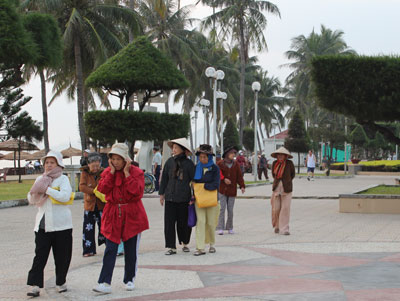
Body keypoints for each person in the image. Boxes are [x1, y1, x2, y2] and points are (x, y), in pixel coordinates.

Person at [93, 143, 149, 294]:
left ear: (126, 160)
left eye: (119, 159)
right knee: (110, 248)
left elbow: (137, 192)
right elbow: (102, 189)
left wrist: (126, 174)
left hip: (132, 213)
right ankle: (104, 281)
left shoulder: (136, 172)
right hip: (113, 212)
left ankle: (129, 278)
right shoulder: (107, 172)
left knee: (131, 249)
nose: (116, 162)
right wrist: (111, 173)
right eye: (114, 158)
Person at [26, 150, 73, 297]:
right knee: (39, 256)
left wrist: (47, 190)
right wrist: (37, 191)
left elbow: (65, 196)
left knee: (62, 257)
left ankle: (61, 282)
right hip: (42, 226)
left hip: (62, 225)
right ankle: (35, 285)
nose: (49, 165)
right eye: (47, 163)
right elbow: (30, 196)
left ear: (58, 164)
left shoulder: (63, 179)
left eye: (52, 163)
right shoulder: (40, 179)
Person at [159, 138, 195, 255]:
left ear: (182, 149)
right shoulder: (169, 162)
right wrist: (161, 194)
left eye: (175, 147)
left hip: (184, 198)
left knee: (183, 222)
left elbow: (194, 181)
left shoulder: (189, 164)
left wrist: (194, 197)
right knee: (169, 223)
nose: (173, 150)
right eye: (173, 147)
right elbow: (164, 178)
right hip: (170, 197)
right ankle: (171, 246)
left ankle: (185, 243)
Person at [193, 144, 220, 256]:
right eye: (201, 157)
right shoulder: (196, 168)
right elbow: (193, 182)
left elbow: (216, 183)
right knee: (200, 222)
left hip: (212, 199)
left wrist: (204, 186)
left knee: (211, 223)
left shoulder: (215, 168)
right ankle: (200, 247)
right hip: (198, 199)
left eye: (205, 157)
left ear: (209, 157)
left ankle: (212, 244)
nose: (202, 159)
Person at [79, 152, 105, 257]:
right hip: (89, 205)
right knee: (88, 228)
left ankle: (109, 246)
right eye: (93, 166)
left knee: (104, 227)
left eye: (97, 165)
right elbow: (82, 187)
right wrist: (94, 191)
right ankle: (88, 249)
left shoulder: (103, 172)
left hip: (101, 204)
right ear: (88, 164)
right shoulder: (84, 173)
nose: (95, 168)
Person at [216, 146, 245, 235]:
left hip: (232, 190)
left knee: (230, 209)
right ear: (227, 154)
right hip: (222, 190)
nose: (233, 155)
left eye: (234, 153)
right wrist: (223, 179)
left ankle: (230, 227)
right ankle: (220, 227)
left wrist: (242, 186)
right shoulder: (220, 163)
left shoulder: (236, 164)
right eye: (232, 153)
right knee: (222, 209)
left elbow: (239, 176)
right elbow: (217, 174)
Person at [270, 147, 295, 236]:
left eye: (282, 155)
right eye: (278, 155)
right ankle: (277, 225)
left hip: (287, 189)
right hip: (277, 188)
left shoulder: (289, 164)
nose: (280, 156)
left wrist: (286, 181)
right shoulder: (274, 163)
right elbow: (274, 175)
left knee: (285, 208)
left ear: (285, 156)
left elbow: (292, 174)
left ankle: (284, 229)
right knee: (276, 208)